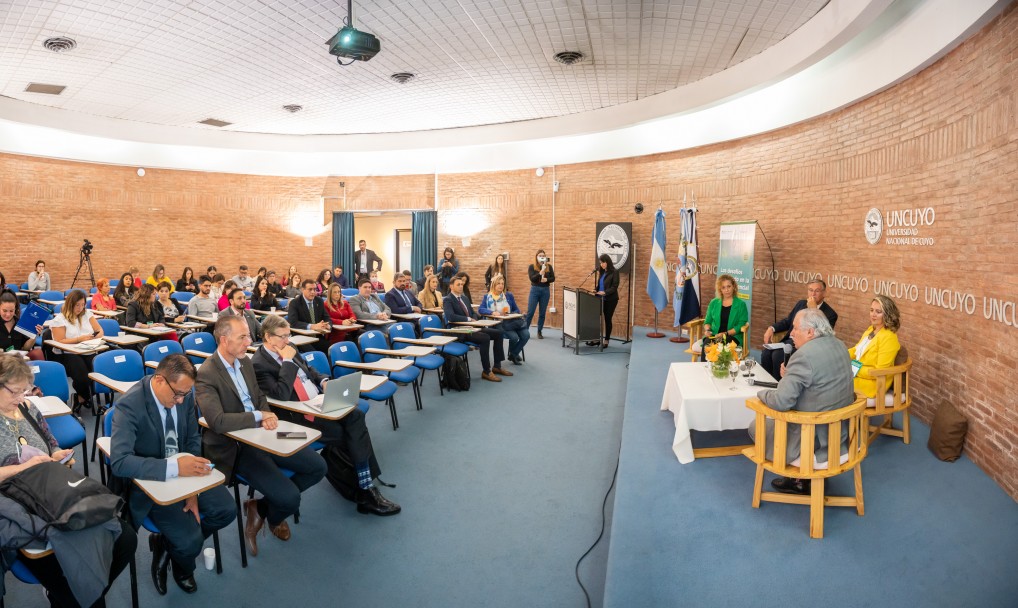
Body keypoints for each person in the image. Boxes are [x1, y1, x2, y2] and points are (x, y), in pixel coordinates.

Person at [0, 356, 137, 608]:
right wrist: (27, 466)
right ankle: (81, 594)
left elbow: (50, 441)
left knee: (126, 538)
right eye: (15, 391)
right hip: (14, 502)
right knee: (73, 582)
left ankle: (84, 591)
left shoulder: (27, 408)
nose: (22, 397)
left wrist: (55, 454)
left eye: (25, 390)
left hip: (49, 489)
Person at [195, 316, 326, 556]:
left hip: (264, 432)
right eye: (242, 337)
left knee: (318, 466)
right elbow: (218, 422)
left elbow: (259, 396)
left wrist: (265, 411)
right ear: (224, 340)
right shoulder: (206, 373)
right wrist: (258, 416)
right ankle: (275, 512)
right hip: (237, 446)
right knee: (289, 498)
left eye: (248, 335)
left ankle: (260, 507)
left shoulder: (244, 362)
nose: (249, 341)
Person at [109, 355, 236, 596]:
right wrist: (177, 469)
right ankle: (183, 565)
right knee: (191, 541)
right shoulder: (130, 405)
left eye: (185, 395)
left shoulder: (184, 395)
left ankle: (166, 546)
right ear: (159, 380)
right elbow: (120, 462)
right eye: (177, 394)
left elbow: (192, 439)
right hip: (152, 482)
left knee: (226, 510)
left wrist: (192, 491)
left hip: (186, 476)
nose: (180, 401)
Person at [252, 315, 400, 515]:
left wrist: (323, 381)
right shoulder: (259, 363)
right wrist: (286, 361)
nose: (288, 340)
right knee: (351, 434)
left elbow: (309, 370)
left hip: (318, 403)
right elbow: (281, 394)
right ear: (268, 337)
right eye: (283, 336)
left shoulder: (291, 348)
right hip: (298, 415)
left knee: (355, 416)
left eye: (289, 335)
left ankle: (363, 486)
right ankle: (365, 488)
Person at [749, 309, 856, 495]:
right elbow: (819, 384)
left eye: (795, 328)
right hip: (842, 436)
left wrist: (761, 394)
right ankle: (803, 479)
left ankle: (800, 480)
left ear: (810, 332)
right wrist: (789, 376)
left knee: (754, 426)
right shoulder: (840, 345)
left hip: (813, 440)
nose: (790, 333)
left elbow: (781, 401)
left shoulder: (803, 356)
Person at [761, 280, 839, 379]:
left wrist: (814, 310)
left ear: (824, 293)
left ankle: (779, 386)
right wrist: (772, 328)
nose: (813, 294)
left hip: (805, 346)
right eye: (810, 290)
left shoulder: (830, 314)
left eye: (817, 291)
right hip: (788, 341)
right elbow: (788, 321)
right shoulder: (801, 304)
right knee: (766, 353)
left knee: (777, 356)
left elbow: (823, 336)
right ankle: (768, 382)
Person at [444, 274, 511, 382]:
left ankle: (497, 366)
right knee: (484, 338)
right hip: (460, 330)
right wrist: (469, 319)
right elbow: (450, 316)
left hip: (473, 327)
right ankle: (486, 371)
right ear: (451, 286)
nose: (461, 286)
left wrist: (474, 318)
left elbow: (473, 313)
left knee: (498, 333)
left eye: (462, 284)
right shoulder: (448, 299)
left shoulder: (464, 298)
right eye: (458, 285)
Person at [50, 289, 105, 408]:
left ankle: (81, 397)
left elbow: (100, 330)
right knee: (83, 378)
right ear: (70, 304)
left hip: (88, 349)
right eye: (77, 305)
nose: (80, 308)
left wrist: (94, 337)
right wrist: (79, 339)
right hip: (68, 352)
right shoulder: (59, 319)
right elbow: (60, 341)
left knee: (100, 373)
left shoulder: (87, 314)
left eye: (83, 305)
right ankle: (84, 396)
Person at [848, 294, 902, 400]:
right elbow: (856, 350)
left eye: (878, 312)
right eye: (871, 310)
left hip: (874, 384)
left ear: (887, 315)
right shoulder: (871, 329)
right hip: (858, 375)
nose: (873, 315)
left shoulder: (889, 337)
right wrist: (840, 355)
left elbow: (879, 371)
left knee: (832, 384)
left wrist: (854, 369)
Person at [479, 274, 530, 365]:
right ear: (494, 285)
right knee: (514, 337)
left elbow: (516, 309)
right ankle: (514, 354)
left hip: (511, 321)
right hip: (497, 323)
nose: (501, 285)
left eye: (502, 283)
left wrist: (510, 313)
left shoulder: (508, 295)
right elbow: (481, 309)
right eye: (498, 283)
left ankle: (513, 354)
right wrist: (492, 312)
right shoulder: (487, 297)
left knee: (526, 335)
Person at [702, 274, 749, 357]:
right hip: (715, 335)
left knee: (722, 344)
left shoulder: (741, 304)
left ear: (733, 287)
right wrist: (707, 330)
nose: (726, 290)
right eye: (723, 287)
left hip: (732, 336)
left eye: (729, 286)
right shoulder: (714, 302)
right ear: (720, 289)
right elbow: (707, 321)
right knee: (707, 344)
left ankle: (720, 369)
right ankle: (706, 369)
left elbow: (740, 325)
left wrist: (726, 333)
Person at [525, 249, 555, 339]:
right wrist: (540, 273)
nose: (542, 257)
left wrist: (547, 279)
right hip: (535, 290)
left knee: (542, 313)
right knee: (530, 312)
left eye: (543, 255)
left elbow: (553, 278)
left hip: (545, 291)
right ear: (537, 257)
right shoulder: (532, 266)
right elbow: (532, 278)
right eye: (540, 255)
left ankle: (539, 331)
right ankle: (525, 330)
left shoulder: (549, 266)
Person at [592, 254, 620, 348]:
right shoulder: (602, 272)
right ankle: (596, 339)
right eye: (600, 263)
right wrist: (596, 290)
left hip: (611, 299)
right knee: (596, 318)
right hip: (600, 298)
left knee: (607, 319)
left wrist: (605, 292)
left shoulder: (615, 272)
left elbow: (614, 287)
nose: (602, 264)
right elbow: (600, 284)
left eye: (603, 262)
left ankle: (606, 340)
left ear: (607, 262)